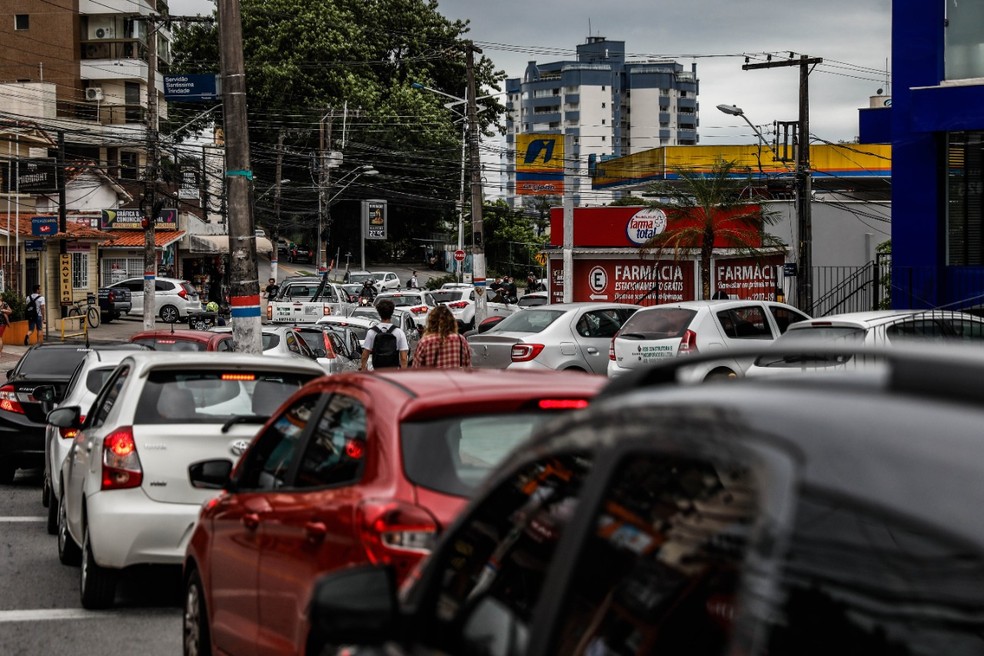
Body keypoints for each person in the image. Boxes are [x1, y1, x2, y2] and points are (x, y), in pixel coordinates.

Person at [412, 305, 472, 369]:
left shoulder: (425, 342)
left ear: (431, 322)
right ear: (452, 322)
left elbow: (416, 369)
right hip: (456, 378)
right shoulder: (461, 340)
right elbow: (468, 366)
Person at [360, 299, 409, 370]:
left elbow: (365, 354)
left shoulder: (372, 332)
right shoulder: (399, 332)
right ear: (392, 313)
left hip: (377, 371)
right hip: (393, 371)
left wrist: (363, 367)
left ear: (379, 313)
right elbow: (403, 358)